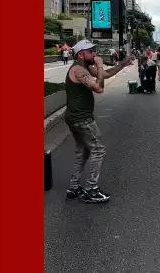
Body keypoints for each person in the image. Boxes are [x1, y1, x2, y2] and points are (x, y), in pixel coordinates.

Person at [65, 40, 134, 204]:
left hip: (76, 117)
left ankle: (74, 187)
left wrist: (123, 64)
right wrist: (101, 65)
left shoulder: (84, 68)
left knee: (83, 151)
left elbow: (105, 75)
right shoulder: (78, 70)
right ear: (81, 54)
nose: (94, 55)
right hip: (81, 119)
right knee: (98, 150)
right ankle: (91, 189)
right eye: (91, 52)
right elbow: (99, 88)